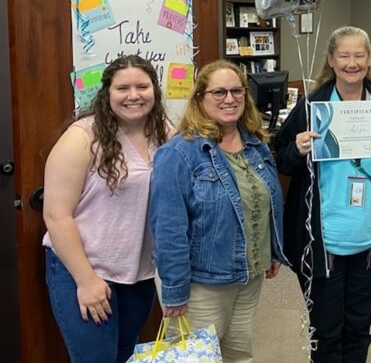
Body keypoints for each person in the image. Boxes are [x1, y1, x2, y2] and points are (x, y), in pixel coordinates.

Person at [150, 59, 287, 362]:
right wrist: (174, 289)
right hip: (203, 281)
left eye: (237, 91)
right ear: (200, 98)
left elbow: (266, 202)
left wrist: (272, 251)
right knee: (198, 357)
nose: (230, 99)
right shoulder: (178, 154)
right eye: (219, 92)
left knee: (238, 355)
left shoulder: (256, 145)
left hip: (249, 275)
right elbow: (169, 228)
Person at [274, 26, 371, 363]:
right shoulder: (313, 104)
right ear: (331, 59)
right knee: (326, 332)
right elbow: (280, 158)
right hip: (322, 240)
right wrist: (297, 151)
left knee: (359, 327)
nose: (352, 63)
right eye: (344, 55)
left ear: (369, 59)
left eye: (359, 55)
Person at [42, 55, 170, 363]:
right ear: (107, 93)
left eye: (142, 86)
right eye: (122, 88)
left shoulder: (165, 132)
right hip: (83, 270)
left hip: (137, 273)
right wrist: (86, 281)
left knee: (125, 355)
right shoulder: (82, 137)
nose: (134, 95)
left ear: (154, 89)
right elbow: (56, 215)